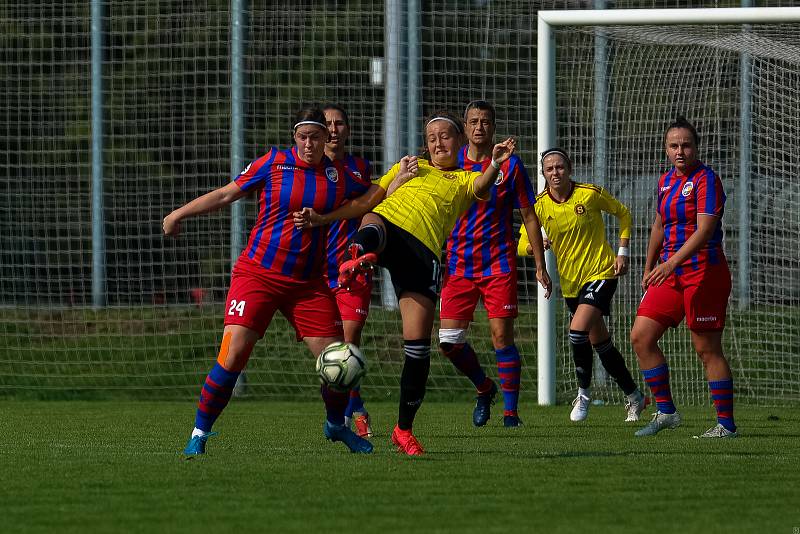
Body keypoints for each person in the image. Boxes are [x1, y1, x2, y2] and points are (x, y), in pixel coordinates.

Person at [294, 110, 517, 455]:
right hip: (390, 226)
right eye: (432, 138)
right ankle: (360, 253)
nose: (438, 142)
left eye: (445, 136)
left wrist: (495, 164)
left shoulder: (463, 180)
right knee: (375, 219)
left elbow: (481, 186)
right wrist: (393, 182)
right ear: (426, 147)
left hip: (422, 253)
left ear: (458, 141)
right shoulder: (409, 165)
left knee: (418, 350)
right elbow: (371, 199)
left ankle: (403, 430)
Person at [163, 105, 374, 457]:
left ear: (327, 139)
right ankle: (199, 433)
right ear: (295, 137)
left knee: (340, 361)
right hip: (257, 274)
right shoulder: (273, 162)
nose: (309, 143)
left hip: (307, 284)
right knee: (232, 355)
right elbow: (227, 193)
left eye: (316, 137)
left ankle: (337, 426)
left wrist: (395, 181)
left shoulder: (339, 175)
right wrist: (179, 212)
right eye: (303, 137)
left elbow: (371, 197)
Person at [439, 100, 551, 428]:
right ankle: (484, 387)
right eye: (473, 121)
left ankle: (511, 413)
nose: (479, 127)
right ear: (464, 126)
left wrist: (540, 265)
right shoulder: (449, 163)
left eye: (485, 122)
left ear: (493, 127)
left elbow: (529, 215)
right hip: (458, 265)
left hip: (498, 263)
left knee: (501, 336)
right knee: (448, 342)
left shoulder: (510, 166)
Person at [518, 148, 646, 423]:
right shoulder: (539, 206)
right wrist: (536, 245)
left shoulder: (588, 194)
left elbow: (624, 215)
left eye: (560, 167)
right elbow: (520, 245)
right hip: (571, 284)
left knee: (576, 331)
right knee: (601, 345)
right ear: (543, 174)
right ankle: (635, 396)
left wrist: (622, 252)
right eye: (549, 169)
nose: (555, 172)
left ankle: (583, 395)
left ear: (570, 168)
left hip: (602, 272)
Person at [630, 116, 737, 438]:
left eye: (686, 145)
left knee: (706, 349)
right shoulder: (665, 182)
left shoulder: (707, 180)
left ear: (696, 147)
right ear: (666, 149)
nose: (681, 151)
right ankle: (666, 412)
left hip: (704, 272)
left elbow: (705, 230)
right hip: (670, 273)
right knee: (641, 336)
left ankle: (726, 425)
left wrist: (671, 263)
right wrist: (650, 267)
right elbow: (660, 226)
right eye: (674, 146)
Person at [321, 103, 375, 438]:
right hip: (313, 270)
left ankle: (354, 410)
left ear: (348, 130)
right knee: (329, 346)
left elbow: (370, 208)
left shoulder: (358, 168)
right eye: (328, 124)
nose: (334, 129)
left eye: (340, 123)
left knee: (349, 343)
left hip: (351, 269)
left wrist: (365, 249)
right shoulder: (305, 168)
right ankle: (345, 409)